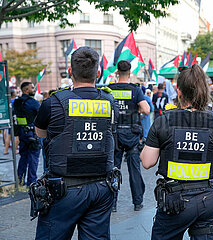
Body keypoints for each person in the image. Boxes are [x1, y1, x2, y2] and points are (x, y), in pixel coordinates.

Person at [34, 46, 118, 239]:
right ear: (98, 72)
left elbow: (41, 133)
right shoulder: (110, 102)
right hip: (101, 187)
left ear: (70, 71)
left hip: (64, 190)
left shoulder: (53, 102)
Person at [140, 64, 213, 240]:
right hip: (208, 199)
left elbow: (147, 162)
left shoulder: (164, 121)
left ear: (179, 92)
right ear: (205, 92)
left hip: (175, 202)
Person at [108, 60, 150, 211]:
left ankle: (112, 204)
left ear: (117, 72)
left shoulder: (109, 89)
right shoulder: (135, 90)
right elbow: (146, 110)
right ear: (130, 73)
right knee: (134, 170)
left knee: (113, 169)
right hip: (131, 135)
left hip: (115, 135)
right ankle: (137, 203)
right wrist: (136, 110)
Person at [13, 82, 41, 186]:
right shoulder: (33, 102)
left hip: (22, 133)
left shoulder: (16, 102)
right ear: (26, 90)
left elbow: (14, 118)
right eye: (32, 88)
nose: (34, 90)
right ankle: (32, 182)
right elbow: (42, 115)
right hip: (32, 134)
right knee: (33, 158)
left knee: (23, 157)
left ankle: (20, 180)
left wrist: (17, 135)